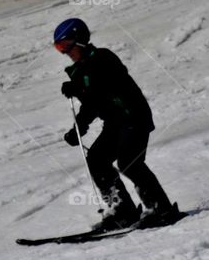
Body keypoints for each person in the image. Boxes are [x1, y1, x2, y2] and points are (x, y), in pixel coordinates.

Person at [53, 18, 179, 231]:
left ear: (80, 39)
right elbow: (91, 105)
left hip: (133, 117)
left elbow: (103, 89)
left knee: (129, 161)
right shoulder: (79, 71)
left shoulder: (103, 58)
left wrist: (79, 90)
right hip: (114, 122)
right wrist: (78, 128)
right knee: (96, 159)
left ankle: (160, 208)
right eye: (59, 48)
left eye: (65, 45)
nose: (64, 52)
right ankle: (122, 211)